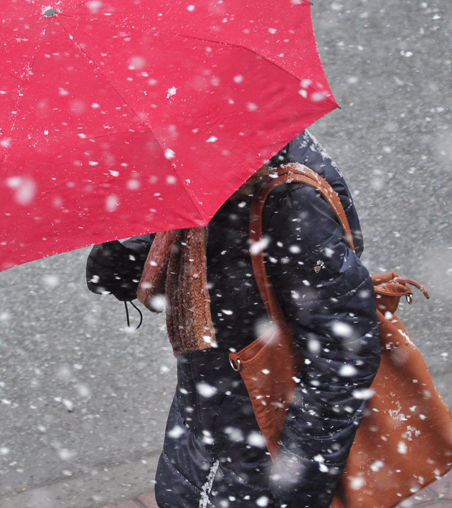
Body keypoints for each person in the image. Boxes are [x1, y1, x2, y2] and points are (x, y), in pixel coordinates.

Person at [86, 131, 380, 508]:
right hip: (208, 399)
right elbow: (117, 278)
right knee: (182, 495)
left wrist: (296, 487)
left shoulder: (288, 198)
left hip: (267, 422)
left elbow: (343, 350)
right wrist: (128, 217)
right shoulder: (192, 167)